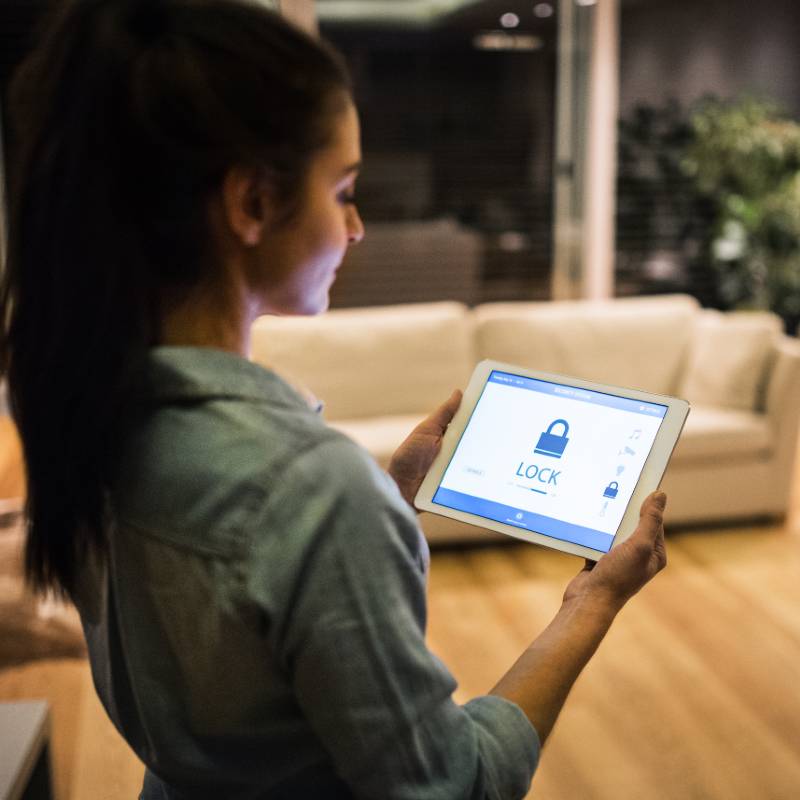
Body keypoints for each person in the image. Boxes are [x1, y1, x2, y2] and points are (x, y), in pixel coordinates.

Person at [0, 1, 668, 798]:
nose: (356, 227)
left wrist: (387, 496)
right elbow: (452, 786)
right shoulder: (308, 491)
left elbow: (235, 664)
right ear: (252, 204)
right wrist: (590, 603)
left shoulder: (88, 414)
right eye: (344, 189)